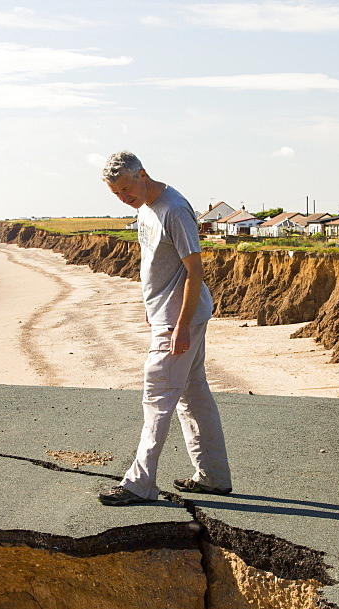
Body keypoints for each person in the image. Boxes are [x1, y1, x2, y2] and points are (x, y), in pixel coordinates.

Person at [98, 150, 232, 505]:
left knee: (157, 397)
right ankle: (214, 477)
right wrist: (150, 305)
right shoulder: (144, 207)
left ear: (142, 174)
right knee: (194, 393)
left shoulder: (173, 209)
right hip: (166, 315)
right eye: (117, 194)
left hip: (179, 320)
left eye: (127, 188)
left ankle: (139, 484)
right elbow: (154, 262)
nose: (125, 198)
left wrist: (181, 325)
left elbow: (195, 272)